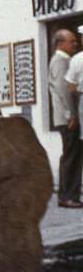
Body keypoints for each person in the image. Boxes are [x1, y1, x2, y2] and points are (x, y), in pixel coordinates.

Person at [58, 29, 83, 207]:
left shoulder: (77, 60)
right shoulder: (63, 61)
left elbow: (70, 88)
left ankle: (68, 194)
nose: (77, 42)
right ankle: (68, 195)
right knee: (72, 154)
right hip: (73, 113)